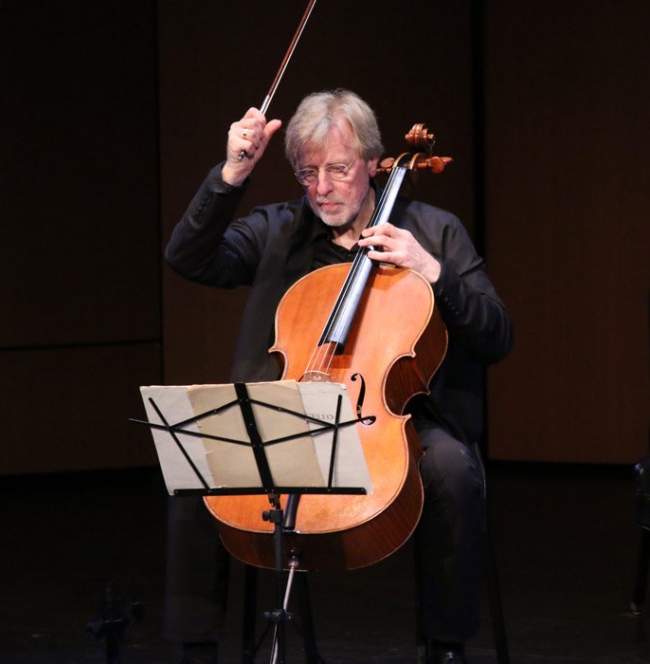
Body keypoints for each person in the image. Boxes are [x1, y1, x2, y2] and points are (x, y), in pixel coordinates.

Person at [162, 88, 513, 664]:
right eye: (307, 173)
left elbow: (497, 335)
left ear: (374, 163)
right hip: (293, 417)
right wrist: (231, 173)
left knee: (452, 470)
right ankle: (194, 650)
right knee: (200, 459)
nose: (321, 188)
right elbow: (189, 257)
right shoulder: (277, 230)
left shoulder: (434, 230)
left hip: (395, 426)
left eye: (338, 169)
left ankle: (445, 648)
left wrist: (431, 271)